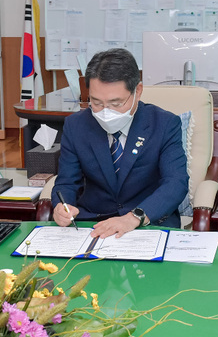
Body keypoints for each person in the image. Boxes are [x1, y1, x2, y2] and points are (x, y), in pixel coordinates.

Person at [51, 48, 188, 239]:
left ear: (137, 91)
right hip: (92, 225)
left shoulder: (164, 124)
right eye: (96, 102)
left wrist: (134, 218)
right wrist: (61, 207)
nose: (106, 112)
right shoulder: (76, 125)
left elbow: (176, 183)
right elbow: (66, 182)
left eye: (116, 104)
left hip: (147, 224)